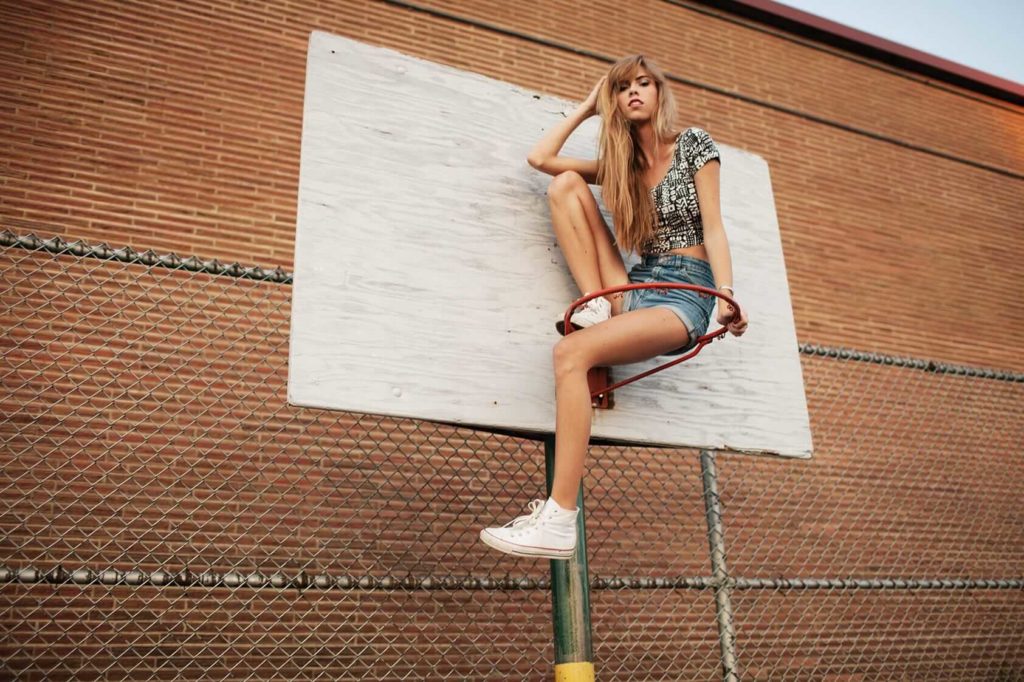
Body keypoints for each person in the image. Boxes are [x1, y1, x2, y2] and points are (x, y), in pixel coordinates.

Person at [479, 55, 749, 559]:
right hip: (637, 283)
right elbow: (541, 159)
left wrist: (727, 294)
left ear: (659, 92)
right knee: (565, 185)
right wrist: (588, 106)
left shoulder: (693, 145)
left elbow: (714, 227)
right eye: (622, 88)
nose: (634, 92)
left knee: (569, 355)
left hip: (684, 294)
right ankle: (600, 306)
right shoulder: (621, 168)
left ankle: (559, 518)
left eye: (643, 83)